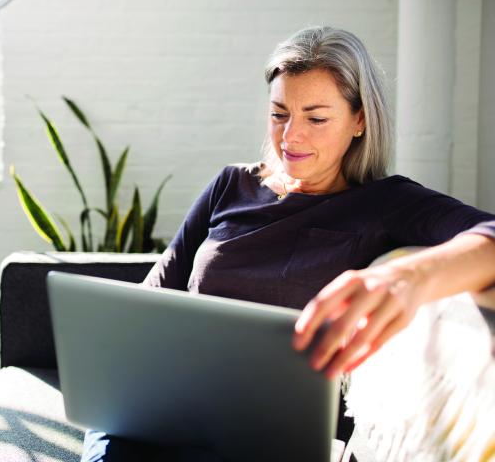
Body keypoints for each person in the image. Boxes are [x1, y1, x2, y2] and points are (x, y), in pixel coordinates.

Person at [80, 26, 495, 462]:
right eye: (279, 114)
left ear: (360, 121)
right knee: (112, 437)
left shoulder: (386, 201)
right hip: (166, 404)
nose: (291, 137)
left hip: (262, 434)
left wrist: (409, 278)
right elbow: (154, 296)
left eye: (316, 118)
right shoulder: (231, 184)